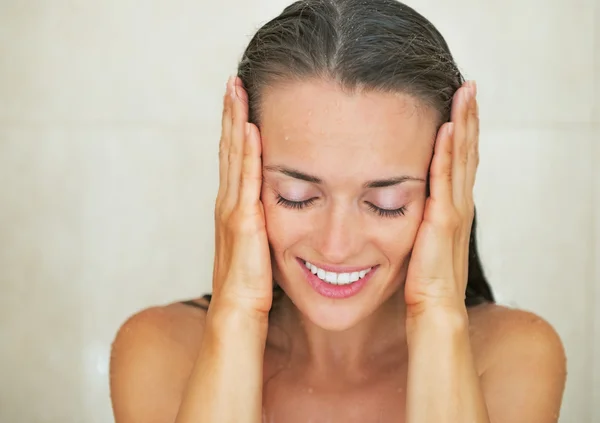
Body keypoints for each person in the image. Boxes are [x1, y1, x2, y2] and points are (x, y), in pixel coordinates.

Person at [109, 1, 567, 422]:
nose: (336, 245)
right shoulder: (162, 350)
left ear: (444, 191)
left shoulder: (510, 355)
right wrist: (239, 312)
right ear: (241, 177)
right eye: (296, 195)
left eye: (386, 204)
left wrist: (435, 309)